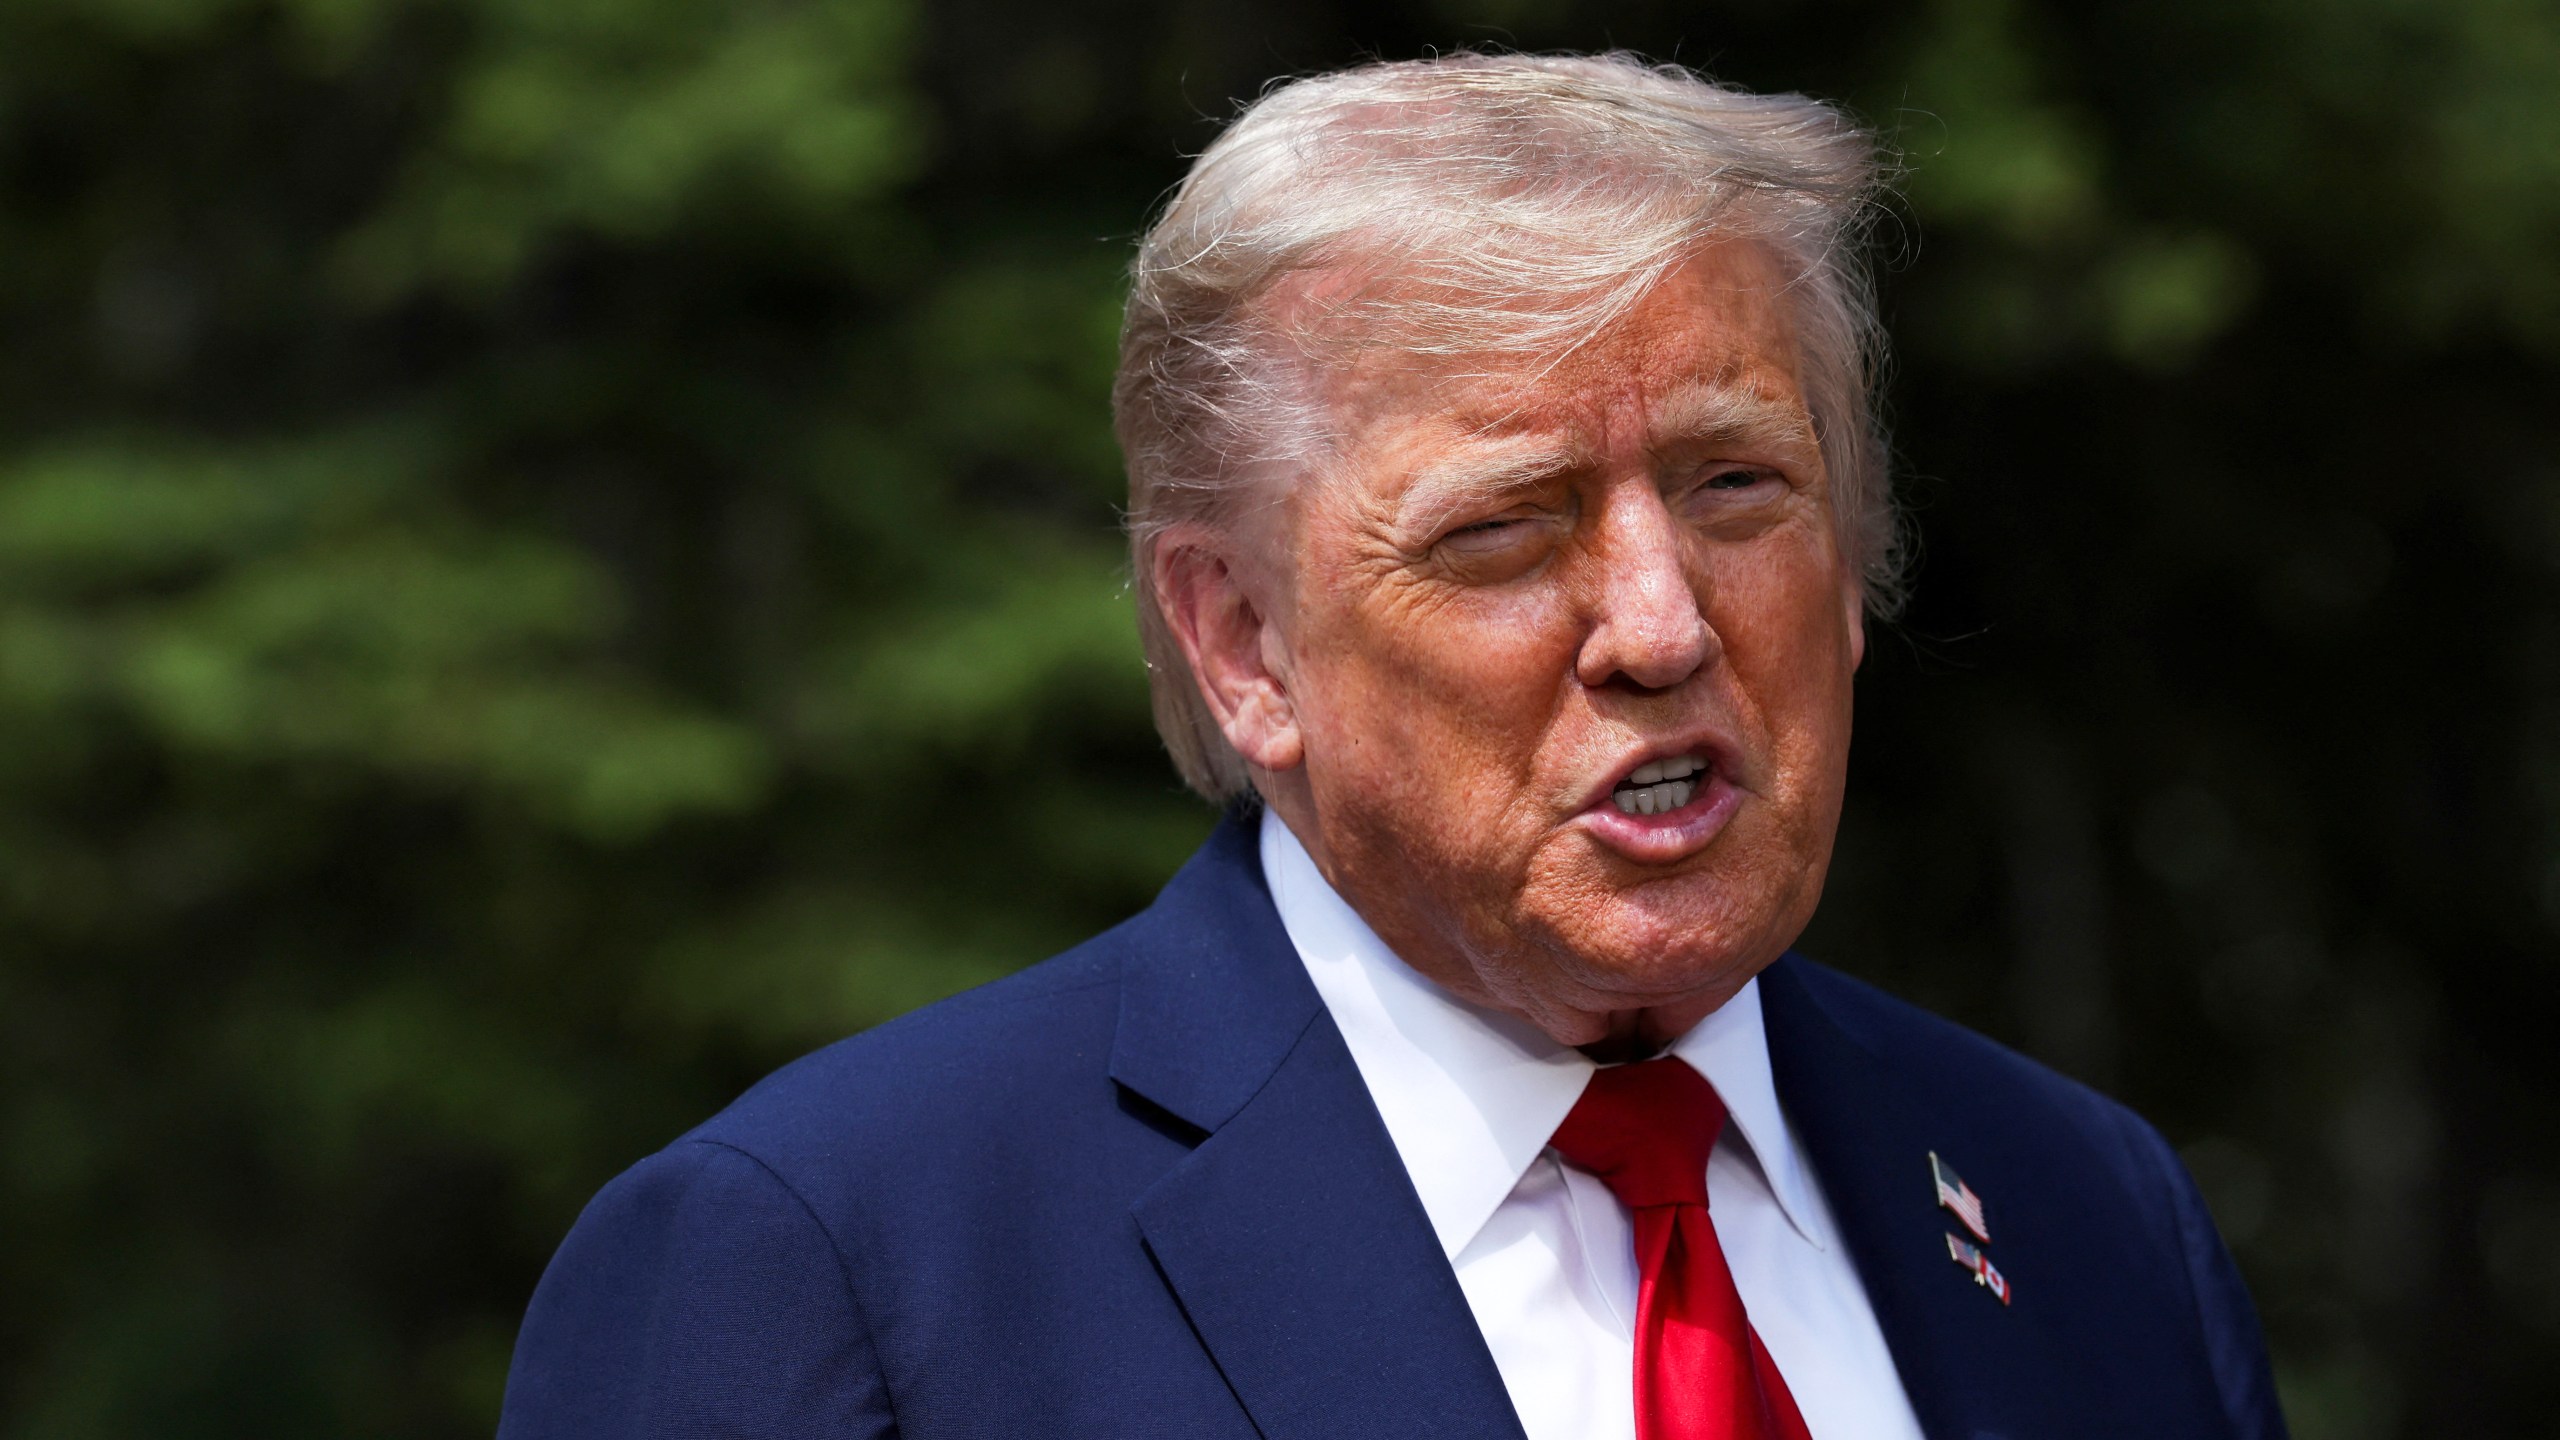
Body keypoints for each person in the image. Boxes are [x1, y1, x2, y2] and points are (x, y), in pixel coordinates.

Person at [497, 52, 2287, 1440]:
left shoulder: (2080, 1211)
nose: (1662, 626)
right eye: (1506, 529)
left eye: (1738, 486)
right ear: (1243, 643)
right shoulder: (835, 1263)